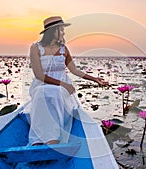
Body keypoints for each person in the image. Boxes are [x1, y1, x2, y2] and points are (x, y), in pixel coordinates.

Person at [28, 16, 108, 146]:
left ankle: (53, 137)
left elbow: (74, 70)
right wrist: (63, 84)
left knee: (56, 93)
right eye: (61, 30)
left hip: (61, 90)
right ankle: (39, 138)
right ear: (52, 31)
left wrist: (94, 79)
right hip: (43, 85)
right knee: (42, 93)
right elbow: (39, 75)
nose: (64, 33)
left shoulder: (64, 49)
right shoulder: (36, 48)